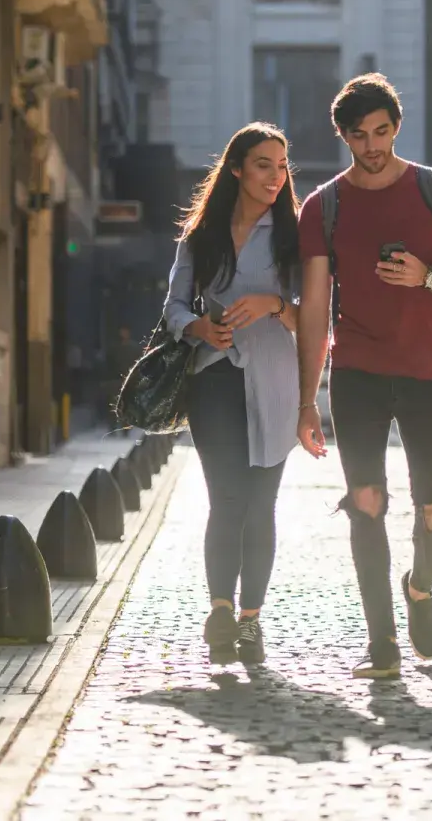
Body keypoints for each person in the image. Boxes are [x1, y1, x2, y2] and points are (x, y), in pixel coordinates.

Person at [295, 73, 432, 679]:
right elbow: (316, 307)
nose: (372, 145)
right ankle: (382, 644)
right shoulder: (322, 207)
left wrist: (427, 278)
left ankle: (420, 588)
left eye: (381, 131)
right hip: (359, 370)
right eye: (359, 135)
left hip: (429, 367)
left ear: (396, 127)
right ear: (343, 136)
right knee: (366, 501)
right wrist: (307, 399)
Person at [163, 122, 301, 666]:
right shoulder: (202, 235)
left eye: (281, 165)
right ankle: (220, 609)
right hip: (213, 375)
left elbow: (314, 317)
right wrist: (199, 328)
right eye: (263, 164)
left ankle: (251, 622)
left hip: (274, 377)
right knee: (226, 498)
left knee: (261, 504)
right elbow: (173, 307)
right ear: (238, 169)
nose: (274, 175)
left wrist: (272, 304)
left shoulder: (295, 236)